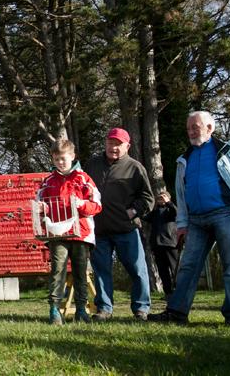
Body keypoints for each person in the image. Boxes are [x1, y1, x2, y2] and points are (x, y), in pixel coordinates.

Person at [149, 111, 230, 327]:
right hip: (195, 221)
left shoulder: (229, 150)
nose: (192, 131)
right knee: (188, 266)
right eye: (189, 128)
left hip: (226, 214)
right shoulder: (184, 159)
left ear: (210, 128)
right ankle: (177, 312)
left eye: (196, 126)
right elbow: (181, 195)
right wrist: (182, 224)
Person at [83, 127, 154, 321]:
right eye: (110, 143)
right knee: (101, 271)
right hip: (99, 230)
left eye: (118, 144)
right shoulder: (92, 165)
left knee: (137, 270)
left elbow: (148, 198)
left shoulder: (135, 167)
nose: (113, 147)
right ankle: (104, 309)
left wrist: (132, 211)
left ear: (127, 146)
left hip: (126, 229)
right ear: (105, 143)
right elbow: (81, 189)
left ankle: (141, 309)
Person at [36, 139, 102, 325]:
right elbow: (40, 203)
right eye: (56, 159)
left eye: (63, 158)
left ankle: (81, 309)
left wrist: (81, 204)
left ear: (72, 157)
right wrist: (42, 209)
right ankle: (54, 310)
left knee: (81, 272)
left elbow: (97, 205)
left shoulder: (84, 179)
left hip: (81, 233)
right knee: (58, 270)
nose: (60, 162)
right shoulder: (47, 182)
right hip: (57, 234)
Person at [142, 190, 179, 298]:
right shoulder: (155, 212)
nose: (160, 200)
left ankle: (179, 291)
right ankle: (168, 293)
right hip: (157, 245)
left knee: (175, 269)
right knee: (163, 271)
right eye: (159, 198)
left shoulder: (170, 210)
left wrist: (168, 202)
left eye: (162, 197)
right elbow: (145, 217)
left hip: (170, 244)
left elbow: (176, 212)